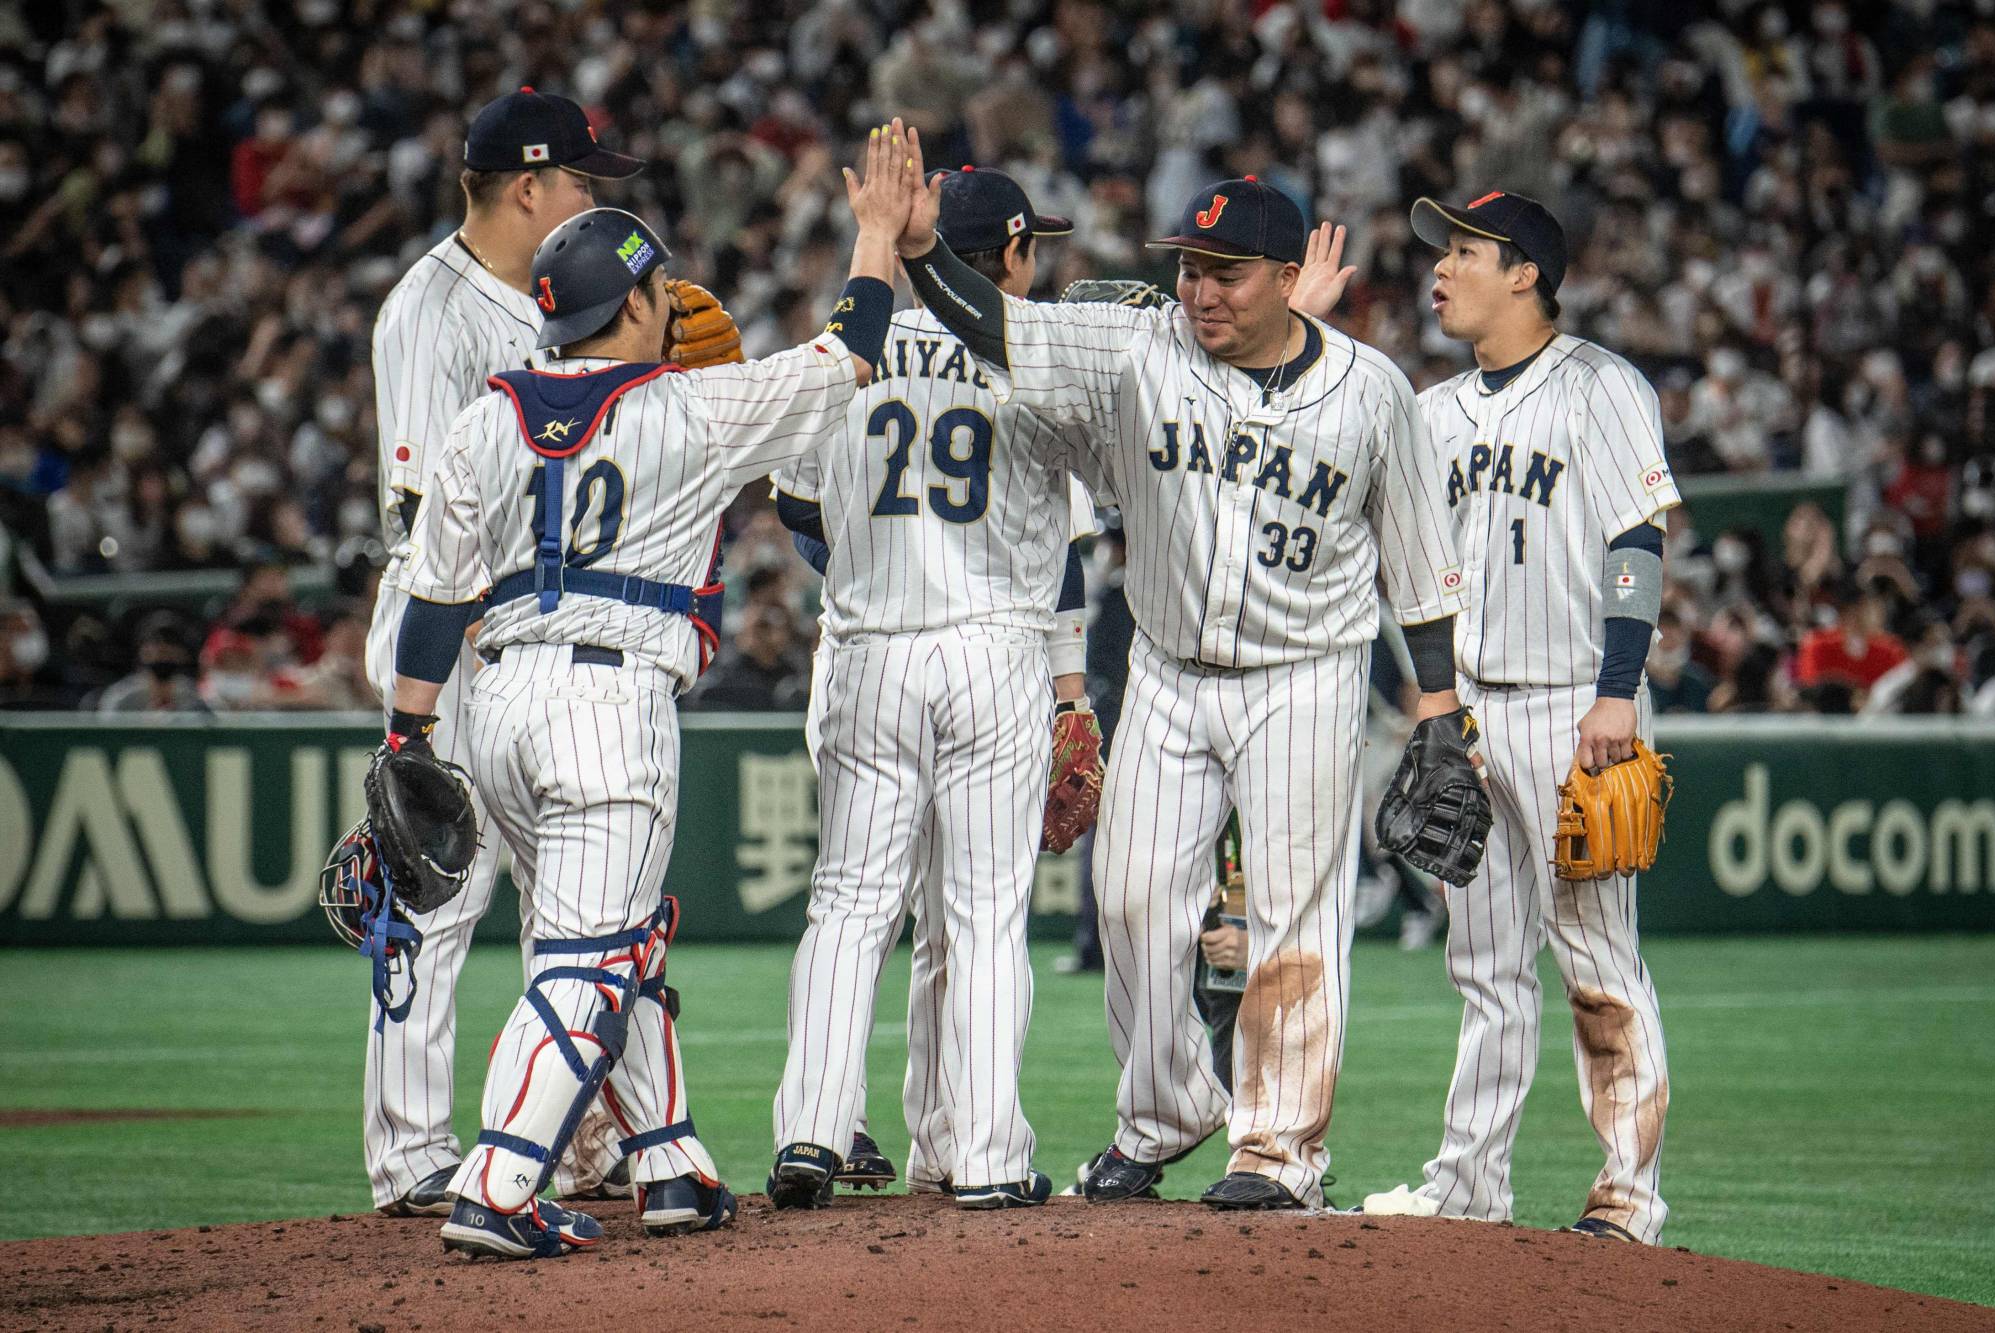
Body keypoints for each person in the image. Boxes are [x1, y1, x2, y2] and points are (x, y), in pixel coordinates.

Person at [888, 130, 1469, 1211]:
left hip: (1306, 671)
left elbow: (1419, 571)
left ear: (1289, 280)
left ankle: (1278, 1151)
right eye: (1188, 268)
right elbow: (997, 326)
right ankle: (1162, 1112)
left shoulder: (1370, 393)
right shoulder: (1135, 347)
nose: (1198, 290)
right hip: (1163, 667)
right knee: (1129, 897)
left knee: (1291, 919)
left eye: (1226, 274)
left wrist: (1438, 710)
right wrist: (925, 257)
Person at [379, 128, 912, 1259]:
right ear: (625, 304)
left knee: (624, 942)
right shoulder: (695, 411)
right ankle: (497, 1181)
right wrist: (873, 237)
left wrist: (407, 731)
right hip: (610, 708)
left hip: (496, 701)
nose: (673, 304)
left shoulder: (482, 420)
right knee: (589, 959)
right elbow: (850, 348)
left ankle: (669, 1162)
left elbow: (433, 599)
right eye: (658, 287)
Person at [765, 164, 1098, 1209]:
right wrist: (1069, 690)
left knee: (850, 902)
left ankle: (810, 1133)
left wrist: (878, 557)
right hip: (994, 647)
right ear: (1004, 253)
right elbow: (1073, 552)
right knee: (984, 912)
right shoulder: (1029, 357)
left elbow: (798, 507)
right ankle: (986, 1155)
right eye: (1026, 246)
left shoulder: (850, 343)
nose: (1032, 263)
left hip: (868, 648)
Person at [1361, 189, 1677, 1244]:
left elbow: (1637, 538)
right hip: (1476, 715)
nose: (1438, 269)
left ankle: (1626, 1197)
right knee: (1482, 969)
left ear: (1524, 272)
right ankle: (1467, 1184)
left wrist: (1616, 690)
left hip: (1571, 705)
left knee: (1595, 962)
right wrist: (1437, 703)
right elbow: (1422, 570)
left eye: (1462, 251)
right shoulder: (1436, 411)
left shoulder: (1597, 385)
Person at [360, 87, 644, 1218]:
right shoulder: (432, 310)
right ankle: (411, 1153)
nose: (592, 197)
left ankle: (577, 1141)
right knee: (437, 892)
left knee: (574, 896)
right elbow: (434, 518)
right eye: (581, 180)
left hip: (536, 628)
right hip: (458, 627)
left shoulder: (547, 299)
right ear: (528, 186)